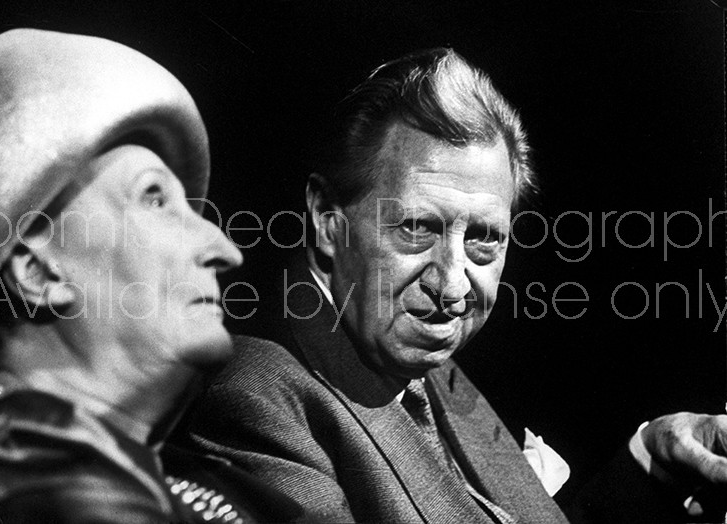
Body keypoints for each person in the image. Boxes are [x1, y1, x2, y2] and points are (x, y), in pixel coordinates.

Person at [183, 48, 727, 523]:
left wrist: (650, 460)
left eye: (485, 239)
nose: (452, 286)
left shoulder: (421, 362)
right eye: (418, 228)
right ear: (328, 219)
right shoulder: (255, 400)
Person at [0, 28, 303, 523]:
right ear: (36, 271)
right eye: (154, 198)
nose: (225, 250)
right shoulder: (27, 478)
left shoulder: (220, 485)